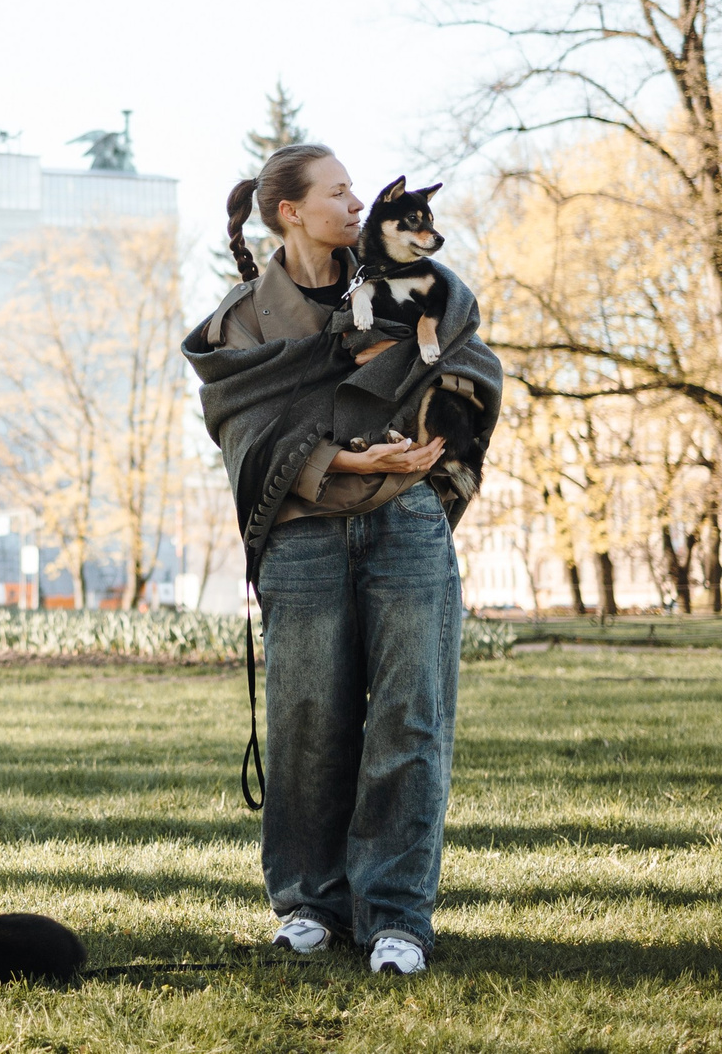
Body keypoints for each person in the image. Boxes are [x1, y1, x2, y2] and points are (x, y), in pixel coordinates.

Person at [184, 142, 500, 977]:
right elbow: (242, 425)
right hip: (303, 534)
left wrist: (434, 454)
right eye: (339, 190)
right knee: (307, 726)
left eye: (357, 188)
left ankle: (396, 913)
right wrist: (345, 463)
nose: (357, 200)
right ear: (290, 211)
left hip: (407, 526)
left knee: (411, 716)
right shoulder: (245, 317)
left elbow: (470, 363)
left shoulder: (410, 287)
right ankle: (309, 904)